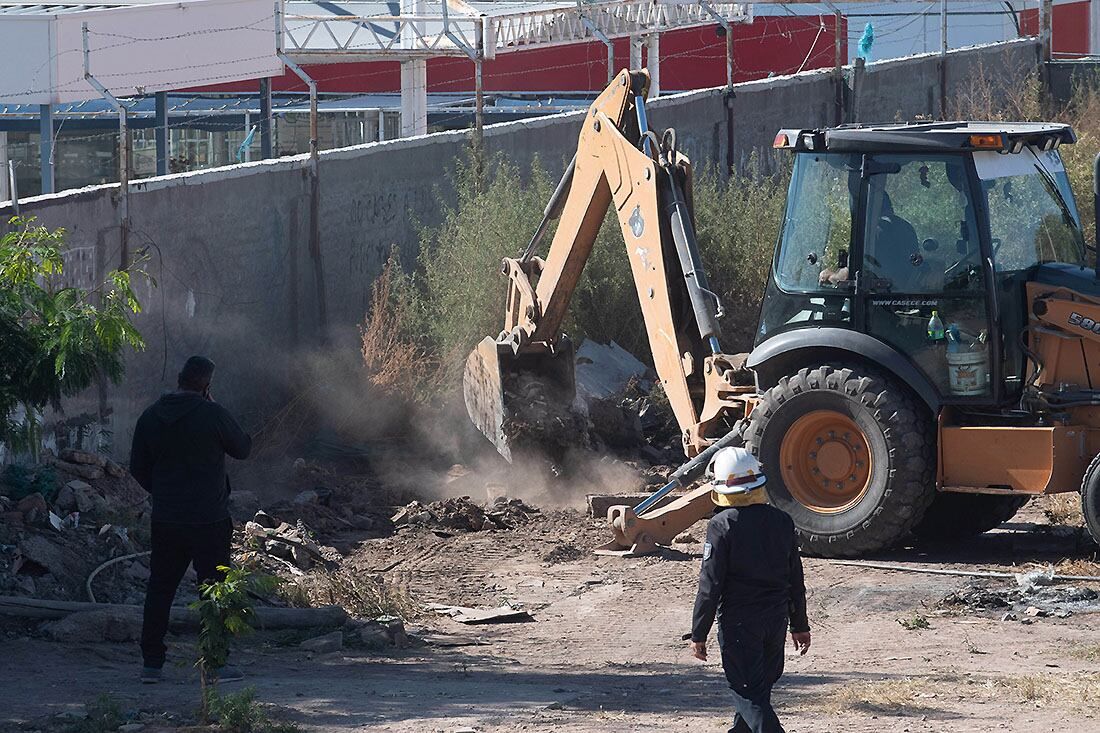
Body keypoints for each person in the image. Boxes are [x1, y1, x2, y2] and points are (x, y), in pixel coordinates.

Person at [130, 356, 252, 684]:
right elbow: (243, 448)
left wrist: (164, 493)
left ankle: (151, 665)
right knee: (213, 591)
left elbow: (137, 468)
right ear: (206, 386)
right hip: (209, 521)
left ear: (178, 379)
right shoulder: (212, 414)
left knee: (159, 590)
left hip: (167, 519)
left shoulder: (151, 416)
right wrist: (216, 409)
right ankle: (215, 663)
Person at [689, 447, 811, 733]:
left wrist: (698, 632)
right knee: (756, 691)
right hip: (776, 622)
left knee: (748, 693)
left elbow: (710, 584)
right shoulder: (782, 522)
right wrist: (800, 625)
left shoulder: (722, 525)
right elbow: (796, 578)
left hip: (740, 625)